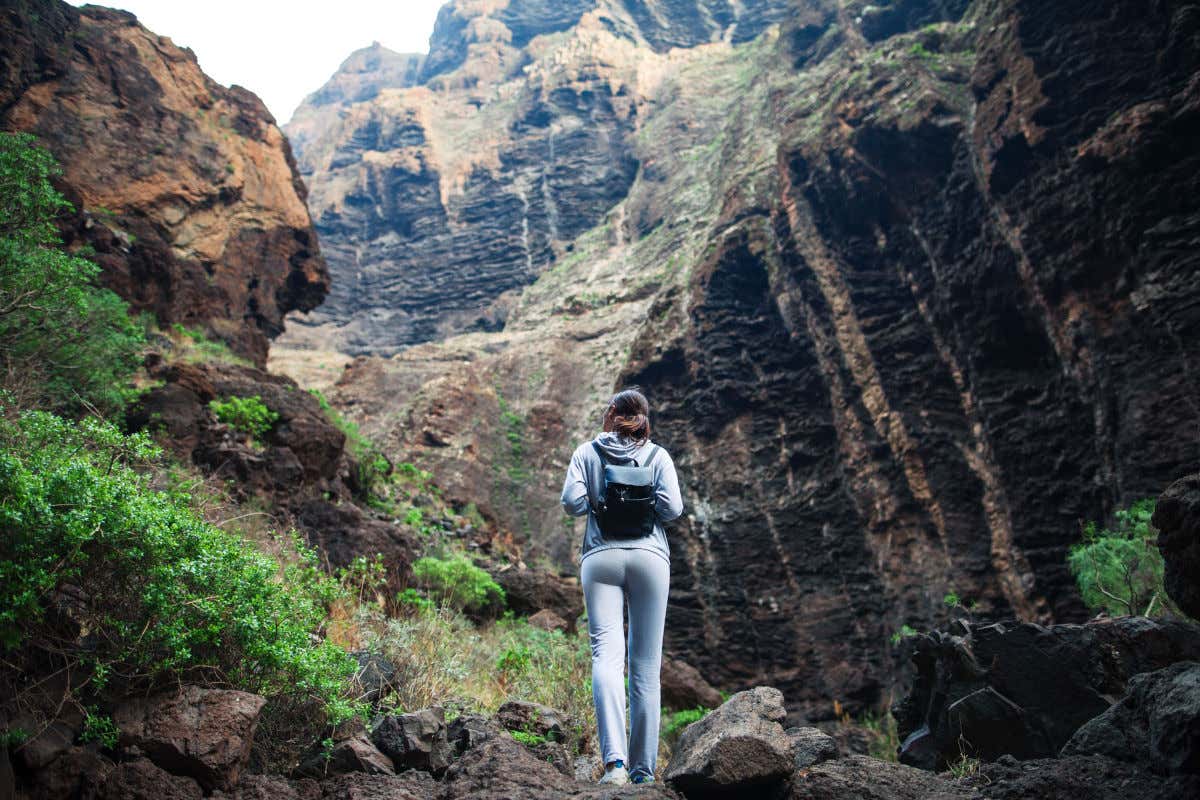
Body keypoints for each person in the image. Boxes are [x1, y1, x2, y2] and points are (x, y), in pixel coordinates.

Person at [560, 388, 684, 785]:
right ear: (645, 419)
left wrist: (601, 498)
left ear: (610, 414)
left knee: (606, 658)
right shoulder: (658, 455)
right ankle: (643, 772)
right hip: (650, 558)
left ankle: (614, 767)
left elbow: (571, 502)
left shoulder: (586, 452)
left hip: (601, 558)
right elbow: (673, 509)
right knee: (646, 666)